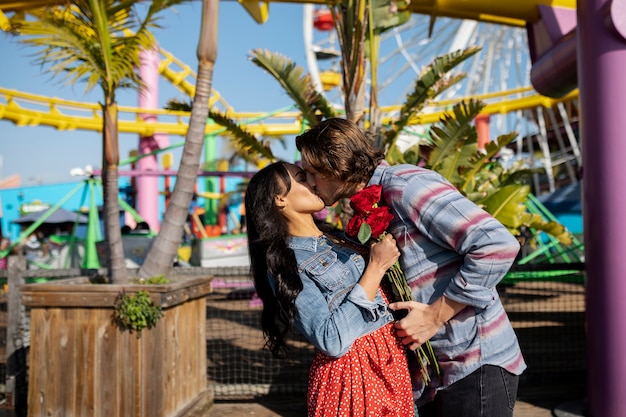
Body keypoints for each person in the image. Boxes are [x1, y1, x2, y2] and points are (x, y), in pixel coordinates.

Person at [296, 118, 526, 417]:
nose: (310, 182)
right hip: (434, 372)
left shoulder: (406, 185)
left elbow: (497, 244)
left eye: (313, 172)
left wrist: (435, 315)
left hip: (473, 359)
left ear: (338, 164)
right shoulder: (368, 204)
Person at [245, 161, 415, 417]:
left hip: (391, 364)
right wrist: (376, 268)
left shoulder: (341, 238)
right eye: (302, 178)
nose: (313, 182)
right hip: (353, 377)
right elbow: (330, 339)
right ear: (279, 199)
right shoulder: (287, 263)